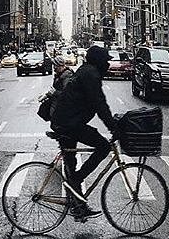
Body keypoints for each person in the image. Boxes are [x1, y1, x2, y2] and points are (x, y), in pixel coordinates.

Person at [50, 44, 119, 220]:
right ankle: (78, 181)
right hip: (68, 124)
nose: (108, 65)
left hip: (66, 121)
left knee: (71, 165)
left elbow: (97, 103)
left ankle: (79, 206)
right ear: (99, 61)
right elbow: (99, 103)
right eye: (106, 61)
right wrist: (113, 126)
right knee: (103, 147)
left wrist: (111, 123)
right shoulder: (90, 74)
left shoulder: (86, 71)